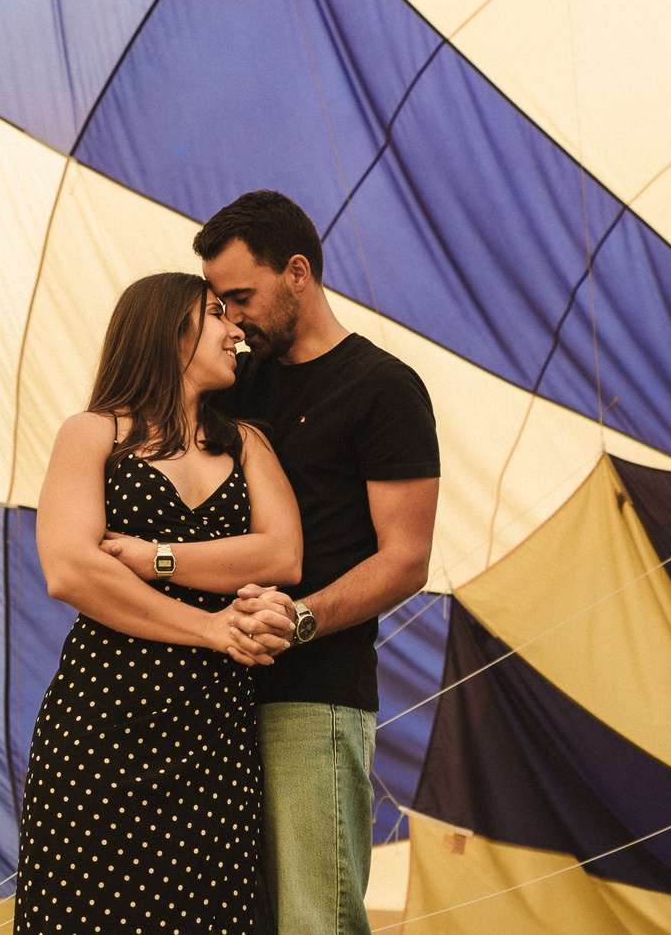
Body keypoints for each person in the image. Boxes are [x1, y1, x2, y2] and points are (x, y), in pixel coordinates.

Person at [18, 271, 304, 934]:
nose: (236, 329)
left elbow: (282, 553)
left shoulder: (247, 443)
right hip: (105, 721)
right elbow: (70, 568)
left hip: (216, 730)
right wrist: (209, 626)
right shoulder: (93, 434)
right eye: (215, 314)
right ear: (167, 330)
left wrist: (155, 556)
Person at [200, 191, 441, 935]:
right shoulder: (230, 386)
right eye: (219, 303)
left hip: (316, 696)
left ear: (297, 272)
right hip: (213, 694)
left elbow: (406, 561)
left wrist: (300, 620)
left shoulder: (384, 387)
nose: (231, 318)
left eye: (241, 296)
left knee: (316, 918)